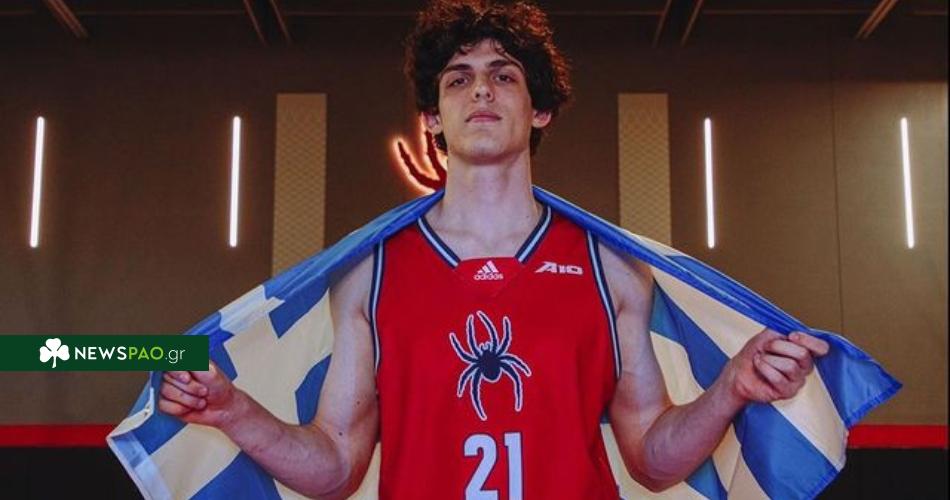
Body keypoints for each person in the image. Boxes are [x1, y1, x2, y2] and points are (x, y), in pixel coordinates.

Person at [156, 1, 830, 498]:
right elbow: (335, 467)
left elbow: (652, 461)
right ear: (432, 118)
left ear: (540, 109)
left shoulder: (611, 268)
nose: (480, 88)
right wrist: (232, 410)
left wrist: (731, 388)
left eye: (504, 76)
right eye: (458, 78)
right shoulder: (369, 272)